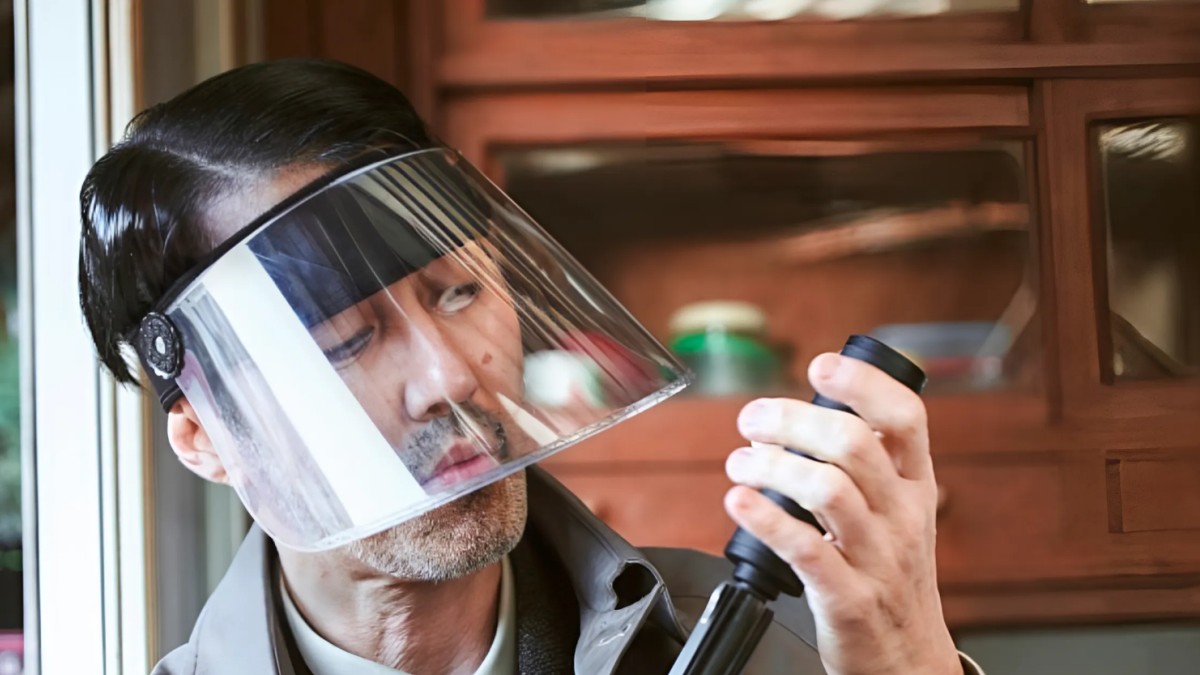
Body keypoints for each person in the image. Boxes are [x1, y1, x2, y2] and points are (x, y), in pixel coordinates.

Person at [78, 59, 982, 675]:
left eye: (460, 292)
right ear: (204, 436)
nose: (450, 378)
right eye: (346, 341)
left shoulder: (770, 645)